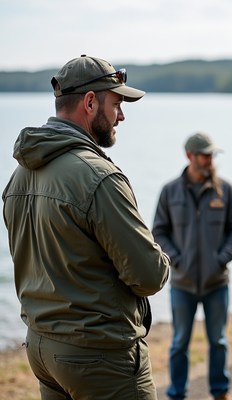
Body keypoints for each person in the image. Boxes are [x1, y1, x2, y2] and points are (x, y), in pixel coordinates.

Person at [2, 55, 170, 400]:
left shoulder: (19, 176)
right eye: (117, 103)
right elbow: (148, 276)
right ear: (91, 103)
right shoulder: (99, 177)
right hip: (98, 356)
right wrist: (164, 259)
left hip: (42, 347)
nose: (121, 116)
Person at [152, 132, 232, 400]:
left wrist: (222, 259)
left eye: (212, 155)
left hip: (217, 283)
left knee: (219, 342)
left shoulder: (225, 190)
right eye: (205, 155)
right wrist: (177, 259)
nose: (210, 160)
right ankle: (177, 393)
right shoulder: (169, 191)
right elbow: (158, 231)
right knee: (180, 342)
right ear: (189, 156)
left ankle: (220, 391)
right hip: (182, 284)